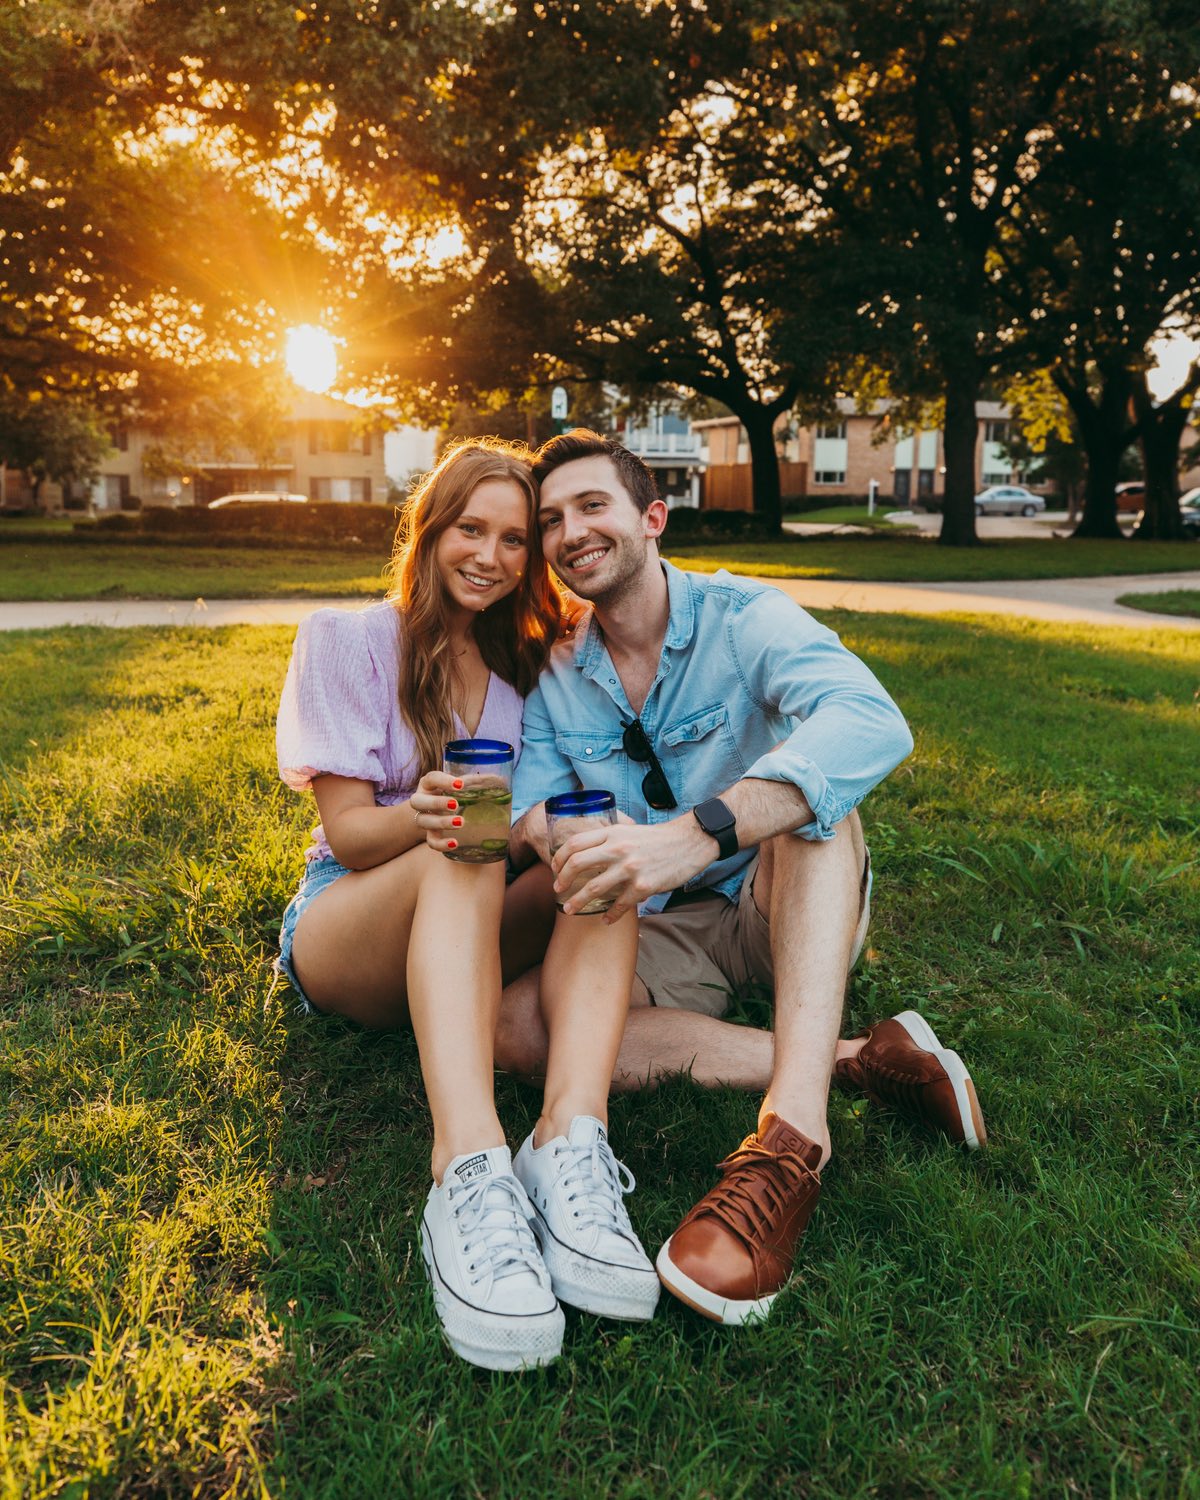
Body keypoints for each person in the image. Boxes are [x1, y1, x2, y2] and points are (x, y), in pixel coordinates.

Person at [500, 429, 988, 1328]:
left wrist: (698, 832)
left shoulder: (743, 615)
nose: (571, 532)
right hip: (666, 930)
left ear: (653, 518)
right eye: (551, 520)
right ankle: (859, 1060)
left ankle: (789, 1146)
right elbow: (528, 803)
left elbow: (871, 722)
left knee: (808, 800)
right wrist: (558, 831)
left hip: (784, 902)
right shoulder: (556, 669)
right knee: (522, 1026)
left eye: (592, 506)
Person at [273, 438, 660, 1372]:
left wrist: (550, 833)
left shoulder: (525, 667)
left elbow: (528, 818)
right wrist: (428, 808)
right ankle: (467, 1166)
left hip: (472, 903)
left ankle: (572, 1141)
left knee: (594, 850)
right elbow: (354, 835)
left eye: (516, 539)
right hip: (347, 922)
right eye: (470, 530)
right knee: (464, 833)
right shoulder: (350, 639)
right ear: (431, 528)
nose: (491, 556)